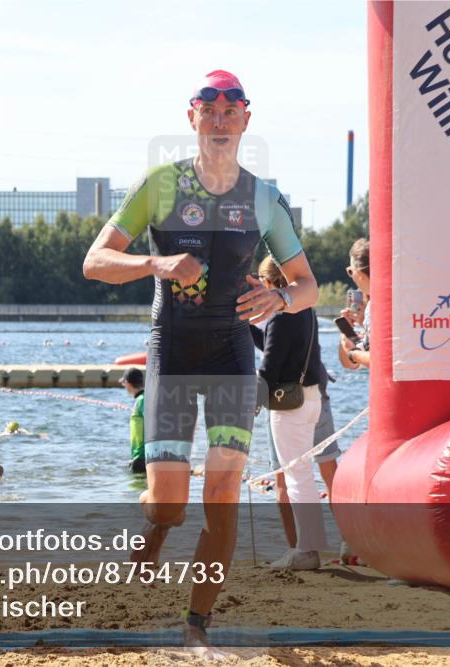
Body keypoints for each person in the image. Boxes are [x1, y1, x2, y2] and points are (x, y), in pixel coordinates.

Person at [82, 69, 317, 654]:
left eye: (230, 108)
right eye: (207, 108)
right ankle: (156, 529)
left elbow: (309, 283)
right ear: (191, 118)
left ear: (245, 119)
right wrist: (154, 265)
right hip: (173, 349)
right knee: (170, 502)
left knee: (224, 492)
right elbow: (94, 260)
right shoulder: (161, 185)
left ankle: (196, 622)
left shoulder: (264, 198)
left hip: (233, 353)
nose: (219, 117)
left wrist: (282, 298)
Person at [251, 256, 339, 570]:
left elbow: (270, 366)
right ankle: (311, 546)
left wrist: (253, 404)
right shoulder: (304, 310)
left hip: (290, 402)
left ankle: (306, 550)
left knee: (296, 474)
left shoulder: (278, 315)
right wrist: (250, 325)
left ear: (268, 283)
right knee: (303, 473)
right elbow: (280, 347)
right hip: (313, 396)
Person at [339, 238, 371, 371]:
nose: (351, 276)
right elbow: (350, 365)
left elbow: (381, 359)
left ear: (360, 274)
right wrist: (346, 335)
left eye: (350, 271)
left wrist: (352, 354)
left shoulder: (374, 308)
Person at [119, 367, 146, 474]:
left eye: (124, 384)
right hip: (141, 457)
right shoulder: (143, 399)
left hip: (142, 457)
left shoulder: (142, 400)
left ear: (128, 384)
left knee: (136, 489)